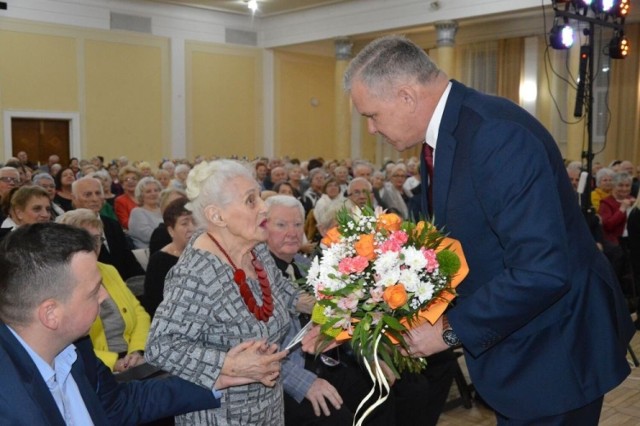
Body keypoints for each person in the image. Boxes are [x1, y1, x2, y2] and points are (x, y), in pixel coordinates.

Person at [333, 35, 634, 424]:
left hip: (553, 350)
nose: (371, 129)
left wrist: (449, 332)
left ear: (406, 96)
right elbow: (448, 245)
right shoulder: (444, 136)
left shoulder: (495, 135)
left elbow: (541, 269)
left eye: (371, 115)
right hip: (521, 345)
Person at [0, 222, 224, 425]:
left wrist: (220, 377)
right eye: (94, 290)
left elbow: (118, 404)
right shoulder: (9, 404)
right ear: (51, 313)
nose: (105, 295)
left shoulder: (76, 347)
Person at [145, 159, 298, 425]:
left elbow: (283, 293)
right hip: (219, 415)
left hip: (268, 407)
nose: (264, 208)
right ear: (217, 216)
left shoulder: (255, 249)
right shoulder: (196, 272)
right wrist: (230, 364)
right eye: (251, 201)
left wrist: (332, 308)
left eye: (260, 197)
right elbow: (161, 345)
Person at [57, 209, 151, 373]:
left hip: (133, 359)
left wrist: (136, 351)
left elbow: (139, 314)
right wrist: (114, 362)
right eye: (86, 238)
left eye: (97, 238)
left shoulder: (108, 270)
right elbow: (67, 343)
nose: (94, 244)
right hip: (95, 369)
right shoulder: (60, 281)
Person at [71, 177, 145, 280]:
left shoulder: (112, 224)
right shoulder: (70, 228)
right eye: (88, 194)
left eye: (98, 193)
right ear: (74, 199)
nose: (95, 199)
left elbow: (128, 258)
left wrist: (142, 281)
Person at [143, 197, 195, 318]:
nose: (192, 228)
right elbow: (153, 305)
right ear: (171, 230)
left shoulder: (207, 253)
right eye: (185, 223)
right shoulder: (159, 261)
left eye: (195, 221)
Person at [128, 177, 163, 249]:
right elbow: (149, 236)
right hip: (149, 252)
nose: (153, 193)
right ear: (141, 195)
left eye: (156, 190)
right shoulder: (137, 212)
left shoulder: (164, 210)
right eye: (148, 191)